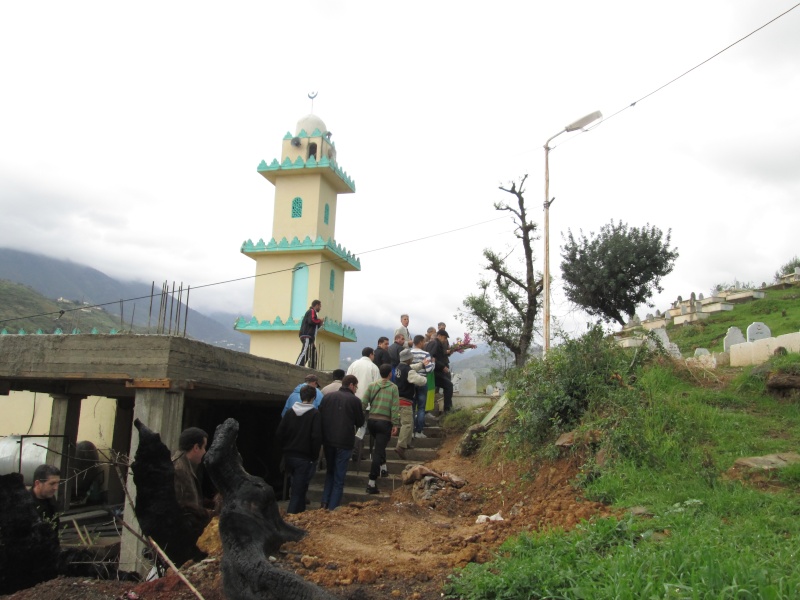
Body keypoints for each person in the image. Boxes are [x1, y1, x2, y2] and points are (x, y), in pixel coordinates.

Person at [318, 375, 365, 510]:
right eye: (356, 386)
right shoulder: (355, 401)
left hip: (328, 441)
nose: (356, 389)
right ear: (351, 385)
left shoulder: (327, 397)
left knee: (330, 472)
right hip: (344, 442)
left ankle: (324, 503)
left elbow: (320, 415)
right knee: (339, 477)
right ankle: (333, 508)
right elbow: (360, 422)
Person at [275, 385, 322, 514]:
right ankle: (292, 517)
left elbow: (280, 433)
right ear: (314, 397)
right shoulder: (314, 414)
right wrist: (314, 455)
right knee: (298, 490)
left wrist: (284, 449)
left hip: (289, 455)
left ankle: (301, 513)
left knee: (295, 486)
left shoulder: (290, 412)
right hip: (305, 457)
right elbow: (316, 437)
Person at [361, 364, 399, 494]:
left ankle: (383, 468)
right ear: (390, 374)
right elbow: (394, 407)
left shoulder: (372, 386)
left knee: (379, 446)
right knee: (378, 451)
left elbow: (363, 402)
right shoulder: (393, 388)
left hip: (372, 421)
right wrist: (395, 424)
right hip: (385, 423)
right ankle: (371, 482)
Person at [172, 427, 212, 539]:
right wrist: (208, 514)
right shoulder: (179, 469)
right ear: (196, 447)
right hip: (180, 535)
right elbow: (183, 506)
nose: (205, 452)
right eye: (204, 447)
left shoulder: (185, 466)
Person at [394, 349, 428, 458]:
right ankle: (401, 446)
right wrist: (426, 379)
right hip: (405, 400)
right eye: (411, 358)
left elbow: (411, 369)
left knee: (410, 422)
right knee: (407, 424)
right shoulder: (408, 371)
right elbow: (419, 380)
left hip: (398, 398)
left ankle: (407, 443)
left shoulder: (399, 367)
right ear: (409, 359)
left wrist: (422, 365)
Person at [410, 335, 435, 438]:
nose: (425, 343)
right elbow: (429, 369)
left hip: (410, 383)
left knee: (411, 408)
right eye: (424, 342)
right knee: (421, 408)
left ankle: (410, 431)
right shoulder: (426, 354)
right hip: (422, 382)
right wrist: (433, 363)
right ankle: (419, 432)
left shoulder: (408, 353)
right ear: (420, 342)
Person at [427, 329, 454, 413]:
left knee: (447, 385)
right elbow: (431, 358)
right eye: (444, 337)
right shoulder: (435, 343)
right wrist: (442, 367)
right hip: (434, 372)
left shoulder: (437, 344)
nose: (445, 340)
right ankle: (447, 409)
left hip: (436, 371)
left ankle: (447, 408)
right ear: (439, 336)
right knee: (449, 385)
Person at [296, 300, 323, 368]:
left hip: (310, 337)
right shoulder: (312, 311)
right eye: (319, 306)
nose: (320, 308)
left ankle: (312, 368)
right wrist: (320, 320)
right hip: (307, 335)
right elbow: (312, 321)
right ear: (316, 305)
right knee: (305, 351)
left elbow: (314, 325)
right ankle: (297, 366)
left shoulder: (312, 313)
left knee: (312, 353)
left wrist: (319, 324)